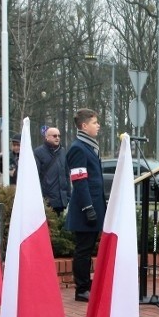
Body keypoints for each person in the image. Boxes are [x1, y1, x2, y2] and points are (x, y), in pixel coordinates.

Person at [64, 109, 106, 302]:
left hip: (94, 206)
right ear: (84, 125)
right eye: (95, 122)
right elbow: (80, 181)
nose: (98, 126)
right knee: (83, 250)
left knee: (88, 249)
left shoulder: (90, 147)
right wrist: (88, 208)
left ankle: (87, 285)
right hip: (85, 209)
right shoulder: (78, 148)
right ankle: (82, 289)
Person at [34, 126, 70, 216]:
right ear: (47, 137)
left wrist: (68, 196)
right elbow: (36, 176)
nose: (57, 138)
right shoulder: (38, 152)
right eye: (54, 136)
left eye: (59, 135)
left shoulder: (62, 151)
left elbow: (66, 175)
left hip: (61, 200)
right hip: (47, 201)